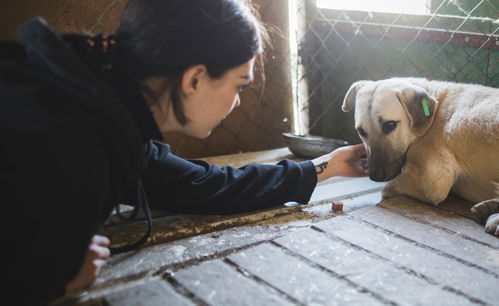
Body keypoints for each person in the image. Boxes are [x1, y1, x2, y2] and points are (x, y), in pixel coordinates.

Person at [0, 0, 368, 304]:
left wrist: (322, 168)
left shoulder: (108, 112)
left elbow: (195, 184)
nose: (238, 102)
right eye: (239, 84)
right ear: (194, 79)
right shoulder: (71, 141)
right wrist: (46, 273)